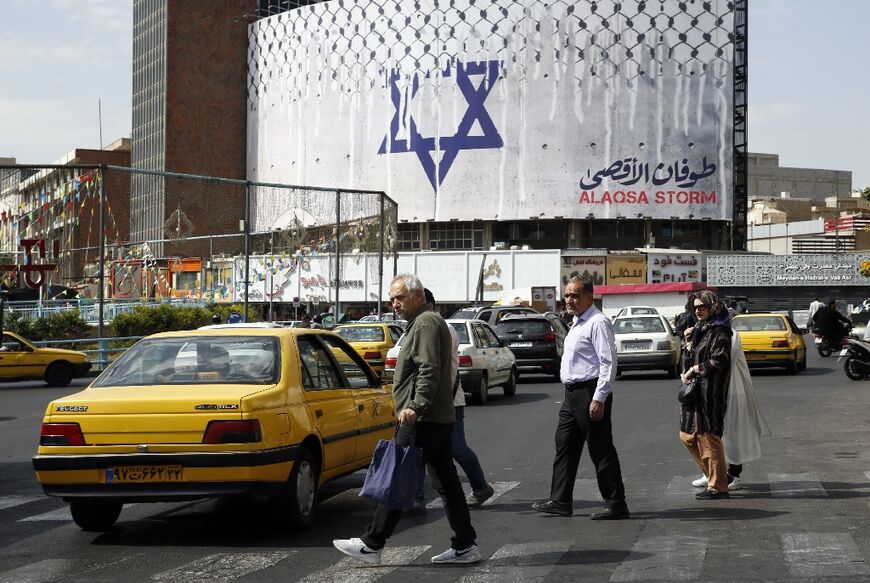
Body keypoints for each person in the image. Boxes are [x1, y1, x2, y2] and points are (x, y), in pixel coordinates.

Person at [333, 274, 480, 565]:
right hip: (435, 418)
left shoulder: (425, 323)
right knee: (447, 484)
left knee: (396, 476)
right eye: (392, 298)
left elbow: (428, 369)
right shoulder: (425, 322)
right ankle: (465, 545)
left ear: (418, 296)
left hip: (421, 419)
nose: (394, 303)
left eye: (399, 297)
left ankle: (372, 543)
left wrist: (415, 406)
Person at [532, 275, 629, 520]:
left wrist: (599, 398)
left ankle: (616, 504)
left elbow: (608, 363)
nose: (569, 300)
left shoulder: (597, 322)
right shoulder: (577, 322)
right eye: (566, 295)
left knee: (600, 448)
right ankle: (560, 500)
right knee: (564, 445)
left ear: (589, 296)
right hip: (571, 395)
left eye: (575, 295)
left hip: (589, 392)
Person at [408, 289, 494, 515]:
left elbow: (437, 369)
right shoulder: (420, 326)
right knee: (420, 451)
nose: (398, 306)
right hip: (429, 401)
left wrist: (424, 400)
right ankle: (416, 497)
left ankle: (480, 487)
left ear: (425, 303)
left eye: (403, 300)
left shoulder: (440, 328)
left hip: (445, 401)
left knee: (456, 449)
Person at [691, 326, 770, 491]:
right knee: (708, 432)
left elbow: (722, 360)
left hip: (732, 388)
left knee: (732, 432)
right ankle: (712, 473)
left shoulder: (729, 334)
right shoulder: (703, 333)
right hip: (710, 389)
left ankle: (733, 474)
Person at [680, 290, 733, 500]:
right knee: (687, 436)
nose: (698, 310)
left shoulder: (720, 331)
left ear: (713, 306)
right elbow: (686, 361)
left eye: (702, 306)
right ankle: (718, 476)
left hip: (710, 394)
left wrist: (696, 369)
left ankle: (718, 486)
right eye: (695, 307)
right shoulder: (699, 330)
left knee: (707, 437)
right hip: (694, 394)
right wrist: (687, 343)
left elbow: (720, 360)